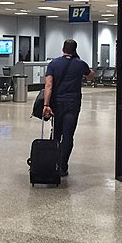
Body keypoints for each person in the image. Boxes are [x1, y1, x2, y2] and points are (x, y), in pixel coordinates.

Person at [43, 39, 96, 177]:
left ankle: (51, 163)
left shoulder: (53, 64)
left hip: (57, 104)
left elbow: (48, 85)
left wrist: (46, 105)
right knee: (68, 136)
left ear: (63, 49)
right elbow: (91, 76)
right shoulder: (80, 64)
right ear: (75, 50)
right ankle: (62, 167)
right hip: (73, 104)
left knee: (55, 134)